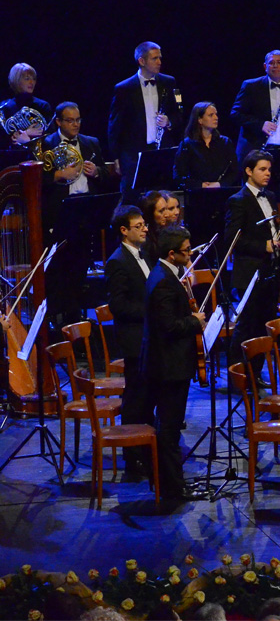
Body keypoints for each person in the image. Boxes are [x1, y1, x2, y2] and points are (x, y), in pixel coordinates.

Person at [142, 224, 206, 501]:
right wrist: (195, 321)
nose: (190, 255)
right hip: (168, 367)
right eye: (186, 251)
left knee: (170, 427)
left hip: (170, 364)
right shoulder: (164, 282)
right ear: (172, 254)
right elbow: (168, 326)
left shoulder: (166, 274)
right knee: (168, 429)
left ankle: (173, 484)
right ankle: (171, 489)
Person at [224, 150, 280, 378]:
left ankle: (255, 374)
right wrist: (264, 246)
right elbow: (232, 239)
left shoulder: (270, 196)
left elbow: (272, 228)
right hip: (249, 273)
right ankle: (239, 376)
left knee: (264, 326)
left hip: (270, 272)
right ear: (249, 171)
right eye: (262, 169)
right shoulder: (238, 200)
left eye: (269, 169)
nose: (267, 173)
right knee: (247, 327)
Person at [105, 205, 152, 476]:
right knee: (135, 399)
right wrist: (152, 309)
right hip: (134, 340)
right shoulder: (117, 261)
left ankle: (146, 450)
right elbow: (119, 306)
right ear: (124, 230)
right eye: (139, 226)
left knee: (146, 397)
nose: (145, 229)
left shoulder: (142, 255)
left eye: (144, 224)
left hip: (147, 338)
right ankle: (133, 458)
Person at [108, 41, 184, 197]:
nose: (159, 62)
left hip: (161, 152)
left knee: (162, 198)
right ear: (142, 61)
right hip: (133, 155)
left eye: (160, 58)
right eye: (155, 58)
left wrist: (169, 121)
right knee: (133, 198)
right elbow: (115, 126)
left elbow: (180, 111)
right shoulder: (123, 88)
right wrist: (115, 157)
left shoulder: (170, 82)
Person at [42, 101, 111, 234]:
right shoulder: (46, 144)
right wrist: (60, 174)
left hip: (89, 204)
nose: (76, 124)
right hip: (62, 207)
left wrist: (96, 171)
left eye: (78, 120)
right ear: (58, 121)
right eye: (70, 121)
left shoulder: (91, 142)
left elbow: (106, 173)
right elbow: (38, 180)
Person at [230, 50, 280, 162]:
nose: (275, 66)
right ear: (265, 66)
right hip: (256, 150)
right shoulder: (251, 86)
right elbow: (235, 114)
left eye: (279, 62)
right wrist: (260, 124)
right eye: (271, 63)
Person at [173, 102, 238, 190]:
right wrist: (200, 185)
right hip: (197, 193)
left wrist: (220, 184)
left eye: (216, 114)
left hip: (222, 191)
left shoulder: (225, 142)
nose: (216, 118)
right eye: (211, 115)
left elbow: (234, 172)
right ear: (200, 120)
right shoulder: (187, 145)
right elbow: (178, 175)